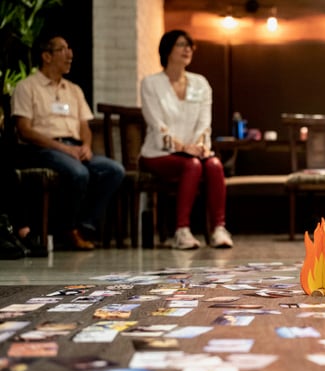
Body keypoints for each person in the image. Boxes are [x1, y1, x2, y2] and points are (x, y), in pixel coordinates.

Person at [11, 33, 125, 251]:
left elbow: (85, 127)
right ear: (46, 56)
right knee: (79, 173)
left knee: (113, 170)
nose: (70, 54)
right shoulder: (27, 87)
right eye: (63, 49)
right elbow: (24, 130)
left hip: (74, 147)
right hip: (42, 148)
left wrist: (86, 146)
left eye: (69, 48)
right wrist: (63, 148)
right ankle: (67, 229)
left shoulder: (74, 90)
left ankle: (84, 226)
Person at [139, 30, 233, 250]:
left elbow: (204, 124)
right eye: (181, 45)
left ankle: (219, 229)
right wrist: (183, 148)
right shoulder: (151, 84)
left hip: (194, 152)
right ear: (167, 50)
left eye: (190, 45)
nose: (188, 49)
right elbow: (157, 125)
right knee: (191, 165)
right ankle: (182, 231)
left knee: (214, 165)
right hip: (158, 153)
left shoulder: (200, 83)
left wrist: (199, 147)